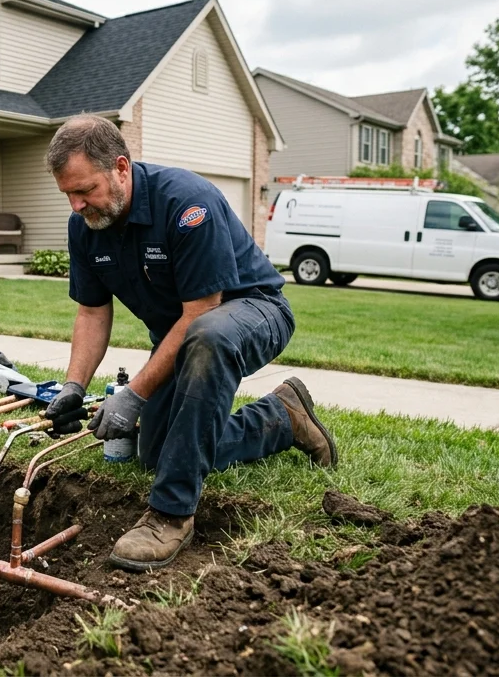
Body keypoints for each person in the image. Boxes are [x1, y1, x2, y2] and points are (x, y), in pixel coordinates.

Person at [41, 115, 338, 571]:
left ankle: (171, 516)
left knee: (208, 336)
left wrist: (134, 394)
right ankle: (282, 417)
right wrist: (73, 386)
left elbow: (202, 312)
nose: (77, 204)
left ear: (121, 167)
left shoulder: (186, 203)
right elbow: (92, 311)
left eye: (85, 190)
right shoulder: (86, 226)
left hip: (252, 311)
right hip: (183, 335)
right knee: (161, 453)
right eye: (68, 194)